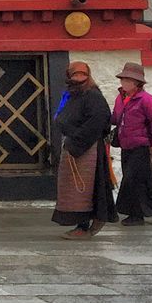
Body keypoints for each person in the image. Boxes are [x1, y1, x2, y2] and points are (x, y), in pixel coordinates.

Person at [52, 60, 116, 238]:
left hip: (88, 149)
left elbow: (99, 119)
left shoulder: (93, 96)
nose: (79, 78)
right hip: (75, 146)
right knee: (75, 191)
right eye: (75, 75)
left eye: (82, 75)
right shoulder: (73, 95)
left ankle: (85, 226)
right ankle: (81, 224)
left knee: (88, 189)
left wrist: (77, 142)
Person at [111, 62, 152, 226]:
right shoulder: (121, 98)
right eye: (123, 79)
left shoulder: (147, 100)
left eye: (128, 80)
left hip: (141, 146)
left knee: (133, 180)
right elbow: (115, 118)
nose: (124, 83)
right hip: (126, 145)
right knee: (142, 180)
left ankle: (137, 215)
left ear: (137, 83)